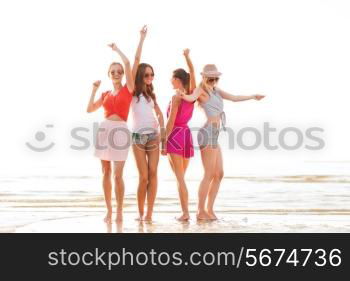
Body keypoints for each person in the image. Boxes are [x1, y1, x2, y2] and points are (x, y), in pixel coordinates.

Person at [178, 64, 265, 220]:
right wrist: (182, 94)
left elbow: (234, 98)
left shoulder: (216, 90)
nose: (213, 81)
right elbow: (190, 97)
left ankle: (209, 209)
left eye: (215, 78)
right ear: (204, 77)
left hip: (215, 134)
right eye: (210, 78)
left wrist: (253, 96)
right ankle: (200, 211)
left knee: (219, 173)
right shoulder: (201, 91)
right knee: (209, 173)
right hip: (207, 133)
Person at [86, 42, 134, 223]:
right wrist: (94, 90)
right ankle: (109, 211)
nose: (116, 74)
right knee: (105, 172)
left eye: (119, 71)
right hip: (105, 130)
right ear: (108, 74)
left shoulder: (128, 90)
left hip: (120, 130)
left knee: (117, 174)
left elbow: (128, 64)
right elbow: (90, 109)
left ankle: (120, 211)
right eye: (113, 71)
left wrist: (116, 50)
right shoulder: (105, 93)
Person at [131, 26, 165, 221]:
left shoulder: (151, 94)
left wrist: (161, 132)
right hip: (137, 137)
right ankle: (140, 212)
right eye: (146, 75)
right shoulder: (132, 91)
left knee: (153, 173)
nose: (150, 78)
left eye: (152, 75)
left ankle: (149, 214)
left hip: (153, 136)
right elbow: (135, 61)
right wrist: (142, 39)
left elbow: (160, 114)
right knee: (143, 177)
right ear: (139, 76)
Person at [164, 49, 196, 221]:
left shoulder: (176, 97)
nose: (170, 81)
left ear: (177, 80)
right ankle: (186, 212)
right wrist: (187, 57)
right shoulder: (191, 93)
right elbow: (191, 72)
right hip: (186, 135)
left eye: (172, 78)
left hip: (175, 135)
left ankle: (185, 213)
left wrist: (163, 142)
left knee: (179, 179)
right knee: (181, 177)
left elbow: (170, 122)